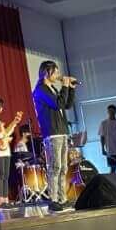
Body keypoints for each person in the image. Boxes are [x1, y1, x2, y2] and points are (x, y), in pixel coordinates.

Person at [33, 60, 77, 212]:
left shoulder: (52, 89)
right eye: (56, 72)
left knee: (63, 167)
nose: (58, 75)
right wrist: (64, 86)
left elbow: (66, 105)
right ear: (47, 72)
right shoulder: (41, 90)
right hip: (52, 133)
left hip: (62, 131)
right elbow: (57, 104)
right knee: (55, 167)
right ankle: (53, 199)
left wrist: (70, 89)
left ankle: (62, 198)